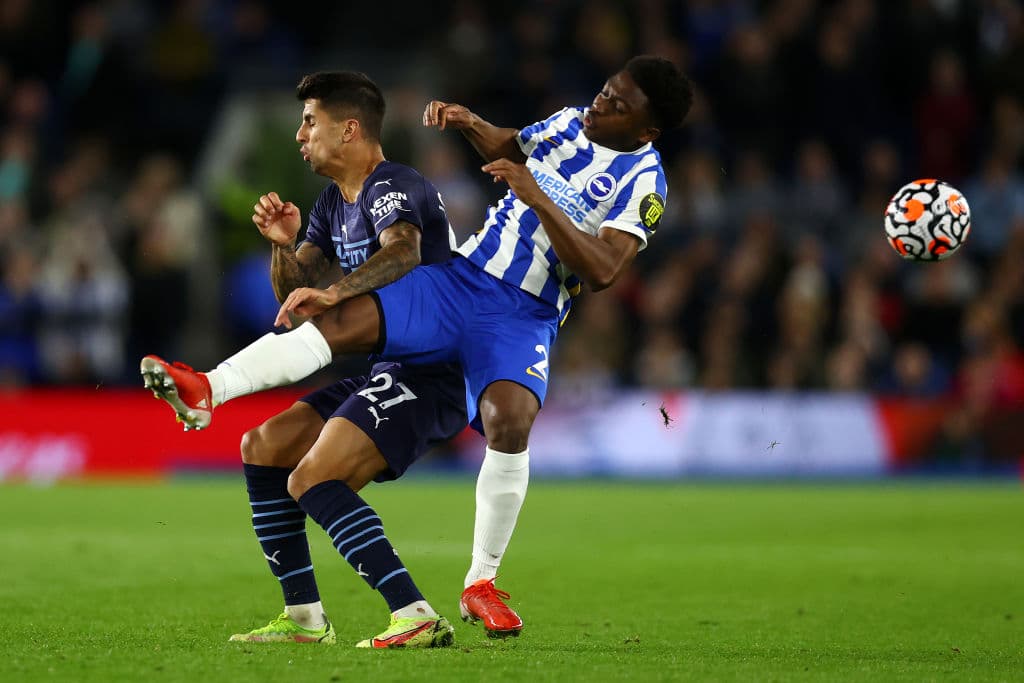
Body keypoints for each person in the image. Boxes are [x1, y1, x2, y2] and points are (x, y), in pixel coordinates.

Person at [144, 55, 693, 637]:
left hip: (524, 312)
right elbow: (511, 144)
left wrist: (536, 196)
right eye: (605, 91)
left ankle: (480, 582)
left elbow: (605, 268)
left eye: (617, 105)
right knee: (332, 332)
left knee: (509, 420)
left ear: (646, 130)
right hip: (465, 277)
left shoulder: (645, 184)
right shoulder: (568, 121)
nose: (601, 104)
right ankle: (209, 388)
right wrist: (469, 122)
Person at [142, 71, 467, 648]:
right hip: (382, 370)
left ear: (349, 130)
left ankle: (414, 613)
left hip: (433, 373)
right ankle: (304, 621)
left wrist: (338, 293)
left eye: (309, 121)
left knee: (314, 476)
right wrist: (284, 244)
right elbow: (293, 305)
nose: (299, 135)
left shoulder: (393, 183)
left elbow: (404, 251)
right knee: (262, 447)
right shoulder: (330, 202)